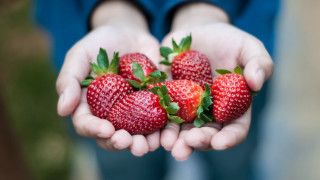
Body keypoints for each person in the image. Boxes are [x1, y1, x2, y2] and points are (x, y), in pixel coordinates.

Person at [36, 0, 279, 179]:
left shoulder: (224, 87)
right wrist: (114, 11)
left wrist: (205, 10)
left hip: (230, 39)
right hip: (84, 21)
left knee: (233, 164)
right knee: (125, 168)